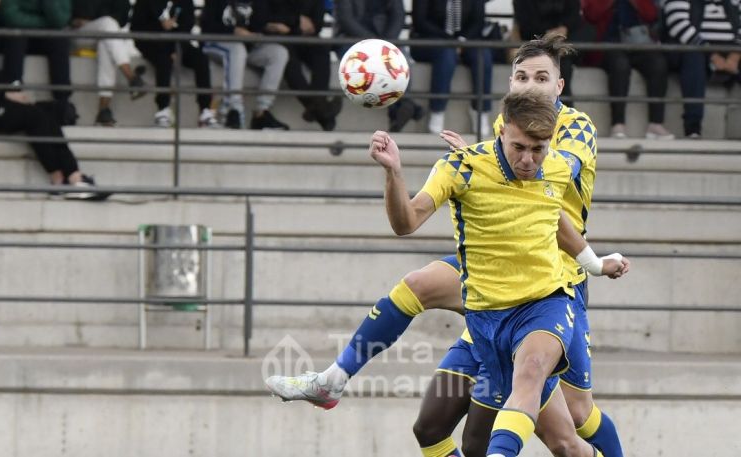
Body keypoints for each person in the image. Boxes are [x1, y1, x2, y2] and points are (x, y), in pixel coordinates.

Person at [266, 34, 627, 457]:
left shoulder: (571, 129)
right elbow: (440, 205)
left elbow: (542, 192)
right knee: (418, 291)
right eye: (522, 77)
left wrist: (595, 263)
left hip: (551, 281)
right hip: (490, 272)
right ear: (510, 84)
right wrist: (479, 162)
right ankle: (333, 378)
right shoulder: (502, 130)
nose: (531, 86)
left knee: (574, 422)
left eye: (542, 78)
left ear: (559, 87)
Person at [369, 91, 627, 457]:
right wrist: (395, 173)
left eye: (537, 149)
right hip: (488, 319)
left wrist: (595, 264)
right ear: (502, 131)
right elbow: (406, 222)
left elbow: (558, 220)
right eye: (519, 147)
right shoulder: (464, 166)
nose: (528, 159)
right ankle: (338, 374)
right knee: (563, 445)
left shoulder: (560, 162)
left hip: (547, 303)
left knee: (542, 386)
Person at [0, 0, 108, 200]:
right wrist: (3, 94)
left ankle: (68, 178)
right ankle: (67, 179)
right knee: (35, 116)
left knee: (47, 110)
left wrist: (4, 93)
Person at [582, 0, 674, 139]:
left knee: (658, 64)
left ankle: (655, 124)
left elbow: (651, 15)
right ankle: (618, 125)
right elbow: (591, 14)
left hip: (639, 44)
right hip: (608, 45)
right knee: (620, 66)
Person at [333, 0, 424, 132]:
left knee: (400, 60)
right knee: (371, 67)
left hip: (385, 38)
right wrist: (374, 43)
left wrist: (386, 43)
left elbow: (398, 16)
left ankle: (401, 111)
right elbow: (347, 20)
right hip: (351, 40)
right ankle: (407, 107)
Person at [201, 0, 290, 130]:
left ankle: (261, 113)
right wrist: (233, 31)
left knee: (279, 53)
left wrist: (263, 29)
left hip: (246, 46)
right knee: (237, 49)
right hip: (215, 43)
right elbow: (206, 27)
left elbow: (258, 25)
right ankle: (233, 110)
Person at [131, 0, 218, 128]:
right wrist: (161, 26)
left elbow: (188, 26)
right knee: (164, 59)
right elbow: (137, 27)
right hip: (152, 43)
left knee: (201, 59)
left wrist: (176, 46)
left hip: (178, 43)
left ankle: (205, 111)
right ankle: (163, 110)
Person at [411, 0, 493, 135]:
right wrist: (449, 40)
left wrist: (461, 40)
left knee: (482, 55)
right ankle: (437, 111)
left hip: (465, 40)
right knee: (446, 54)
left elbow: (478, 22)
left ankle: (480, 111)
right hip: (430, 40)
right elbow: (420, 22)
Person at [662, 0, 741, 138]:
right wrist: (713, 56)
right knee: (693, 56)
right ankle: (693, 129)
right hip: (696, 48)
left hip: (733, 51)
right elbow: (679, 25)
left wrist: (735, 55)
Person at [0, 0, 79, 126]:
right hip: (17, 34)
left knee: (60, 41)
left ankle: (62, 101)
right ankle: (13, 91)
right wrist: (46, 23)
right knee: (15, 35)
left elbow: (60, 20)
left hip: (43, 34)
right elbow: (11, 16)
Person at [267, 0, 342, 131]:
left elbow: (317, 24)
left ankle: (316, 106)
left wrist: (291, 23)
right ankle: (322, 112)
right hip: (280, 38)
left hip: (305, 37)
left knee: (321, 49)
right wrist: (297, 20)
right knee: (289, 62)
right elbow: (268, 17)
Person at [70, 0, 147, 126]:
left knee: (106, 41)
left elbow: (122, 19)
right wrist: (73, 21)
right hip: (78, 34)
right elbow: (62, 13)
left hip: (104, 34)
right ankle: (132, 78)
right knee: (108, 24)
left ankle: (103, 111)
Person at [511, 0, 590, 104]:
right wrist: (548, 34)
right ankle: (555, 51)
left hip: (564, 39)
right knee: (562, 64)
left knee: (588, 32)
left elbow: (574, 16)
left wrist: (564, 28)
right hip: (536, 40)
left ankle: (557, 51)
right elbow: (526, 24)